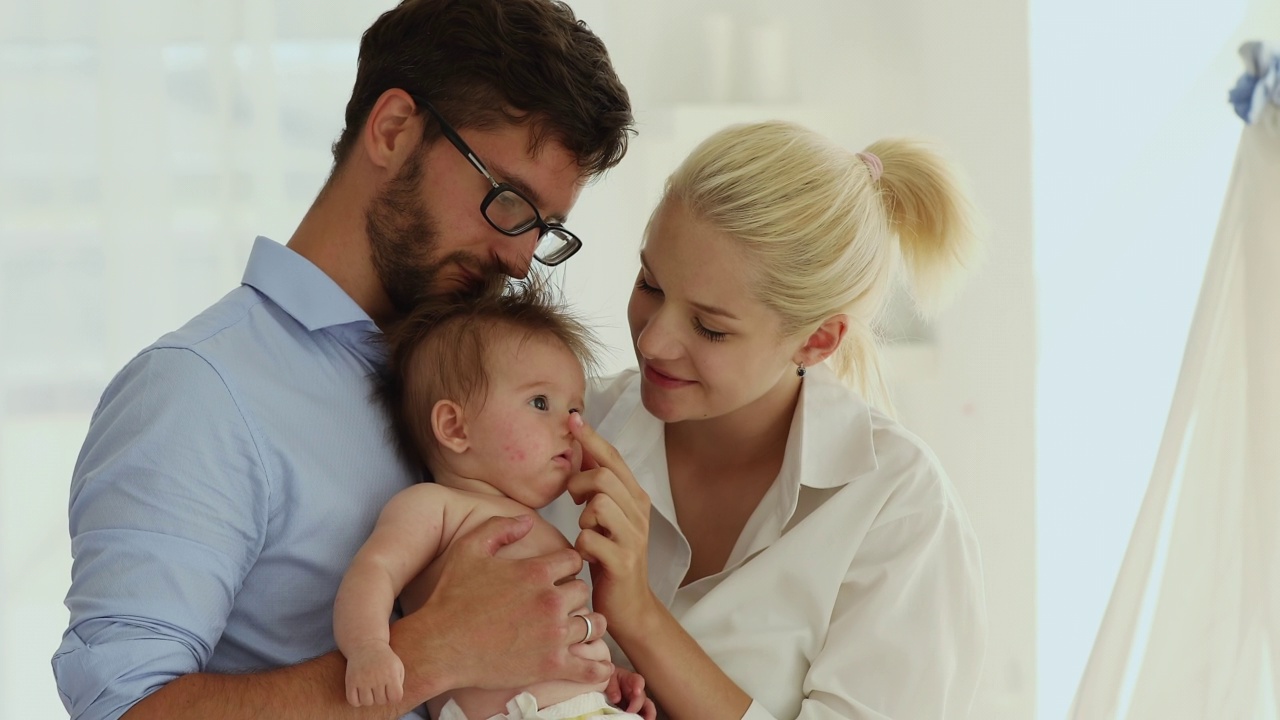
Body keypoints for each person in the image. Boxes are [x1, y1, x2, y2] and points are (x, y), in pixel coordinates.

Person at [52, 1, 633, 718]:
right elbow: (124, 709)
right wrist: (436, 650)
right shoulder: (199, 391)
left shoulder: (495, 380)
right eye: (508, 200)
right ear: (393, 131)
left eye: (543, 228)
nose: (518, 258)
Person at [542, 120, 989, 719]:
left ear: (818, 340)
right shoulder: (558, 426)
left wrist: (642, 618)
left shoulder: (897, 506)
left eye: (710, 328)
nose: (652, 342)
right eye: (649, 284)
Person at [335, 278, 652, 720]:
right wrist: (369, 648)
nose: (571, 427)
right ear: (455, 427)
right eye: (540, 402)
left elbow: (555, 637)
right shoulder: (434, 506)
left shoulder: (545, 526)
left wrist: (604, 674)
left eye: (575, 409)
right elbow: (375, 570)